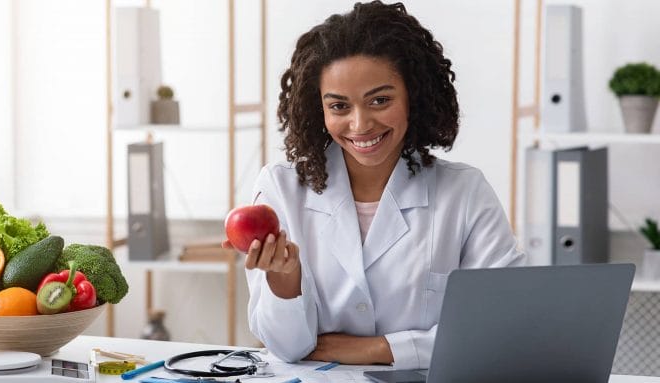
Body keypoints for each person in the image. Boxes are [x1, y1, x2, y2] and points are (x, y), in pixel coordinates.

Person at [224, 1, 524, 369]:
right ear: (317, 108)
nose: (360, 124)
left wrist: (380, 348)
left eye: (380, 100)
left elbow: (503, 328)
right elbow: (286, 347)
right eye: (339, 107)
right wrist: (284, 279)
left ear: (415, 95)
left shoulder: (464, 193)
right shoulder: (281, 189)